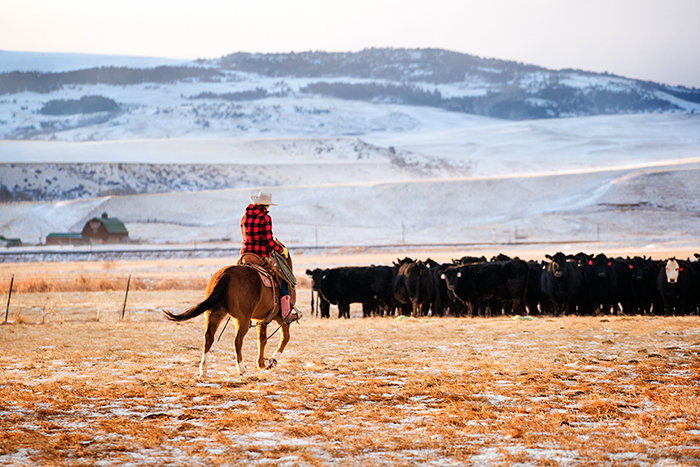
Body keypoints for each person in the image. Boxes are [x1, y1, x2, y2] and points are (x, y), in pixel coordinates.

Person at [240, 191, 299, 323]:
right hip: (261, 255)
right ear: (266, 205)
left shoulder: (245, 216)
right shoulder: (265, 218)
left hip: (246, 255)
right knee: (283, 277)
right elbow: (268, 240)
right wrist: (281, 250)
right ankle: (286, 313)